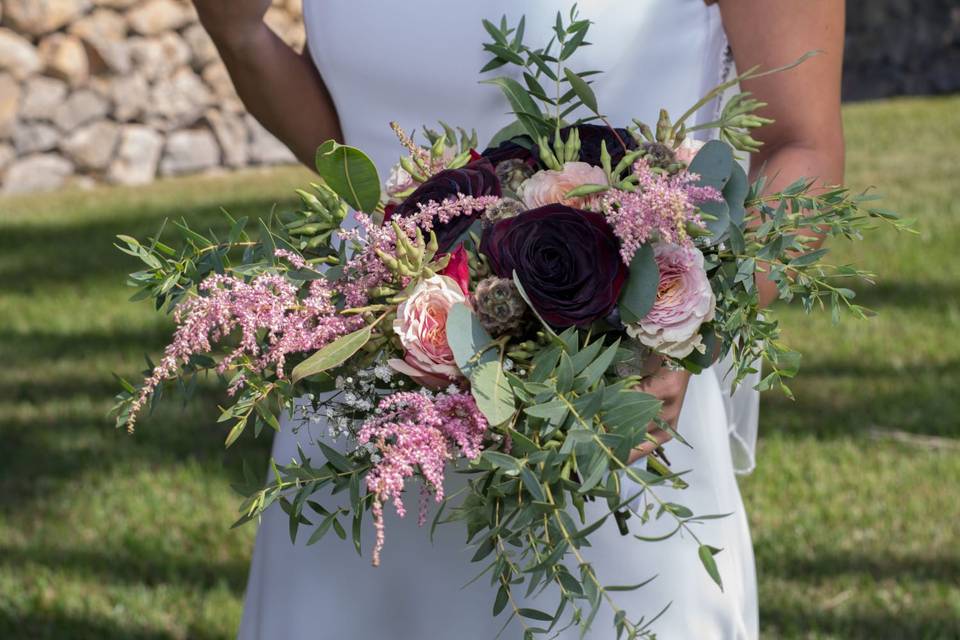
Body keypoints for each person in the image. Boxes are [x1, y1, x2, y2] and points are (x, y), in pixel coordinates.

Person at [191, 1, 844, 637]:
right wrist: (243, 37)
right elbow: (354, 145)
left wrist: (680, 323)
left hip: (607, 409)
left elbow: (803, 146)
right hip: (366, 408)